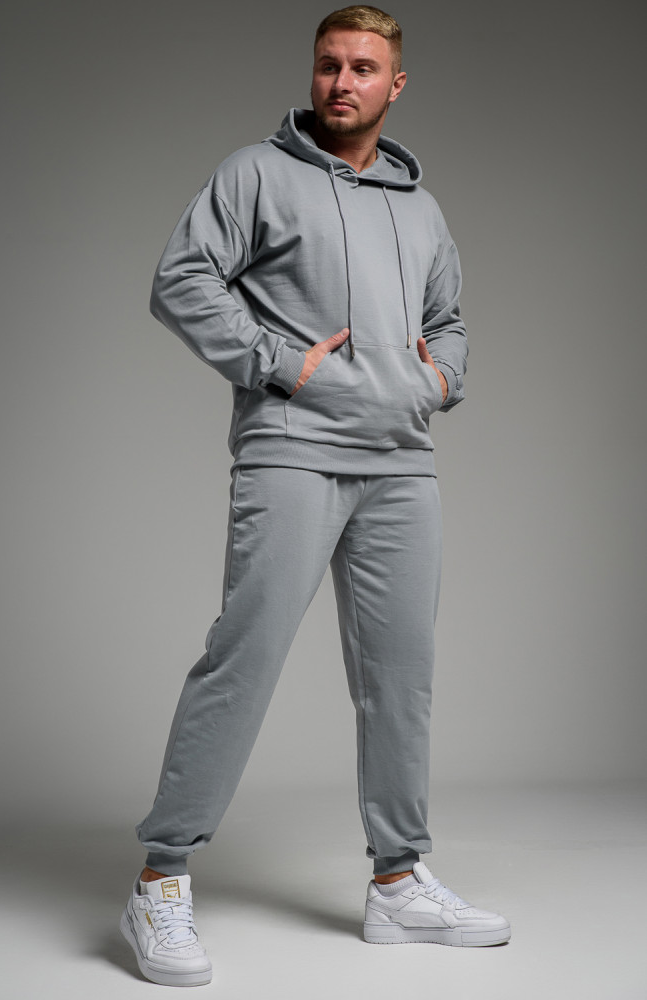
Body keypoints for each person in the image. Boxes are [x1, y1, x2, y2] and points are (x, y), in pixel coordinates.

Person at [120, 4, 511, 987]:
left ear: (395, 84)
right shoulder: (255, 174)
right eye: (330, 64)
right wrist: (279, 363)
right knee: (244, 658)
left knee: (401, 676)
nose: (343, 82)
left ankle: (398, 879)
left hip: (402, 464)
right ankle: (160, 877)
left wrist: (437, 379)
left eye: (363, 68)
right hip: (292, 450)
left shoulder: (421, 208)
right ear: (313, 73)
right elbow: (181, 279)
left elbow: (450, 320)